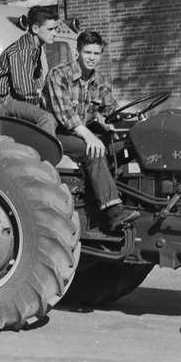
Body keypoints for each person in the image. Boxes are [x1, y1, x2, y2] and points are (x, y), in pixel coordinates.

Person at [45, 30, 139, 233]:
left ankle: (129, 198)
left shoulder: (100, 80)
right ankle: (113, 212)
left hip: (82, 130)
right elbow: (66, 116)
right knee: (93, 150)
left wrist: (110, 120)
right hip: (57, 133)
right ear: (77, 52)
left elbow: (108, 108)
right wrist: (89, 136)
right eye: (88, 52)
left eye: (96, 54)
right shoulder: (59, 74)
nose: (92, 58)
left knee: (122, 145)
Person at [0, 5, 60, 135]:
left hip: (19, 99)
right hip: (7, 101)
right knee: (46, 118)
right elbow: (23, 90)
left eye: (56, 29)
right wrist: (42, 103)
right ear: (35, 29)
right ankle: (48, 154)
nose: (55, 33)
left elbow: (37, 80)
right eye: (50, 29)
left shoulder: (36, 48)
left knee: (56, 114)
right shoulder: (22, 50)